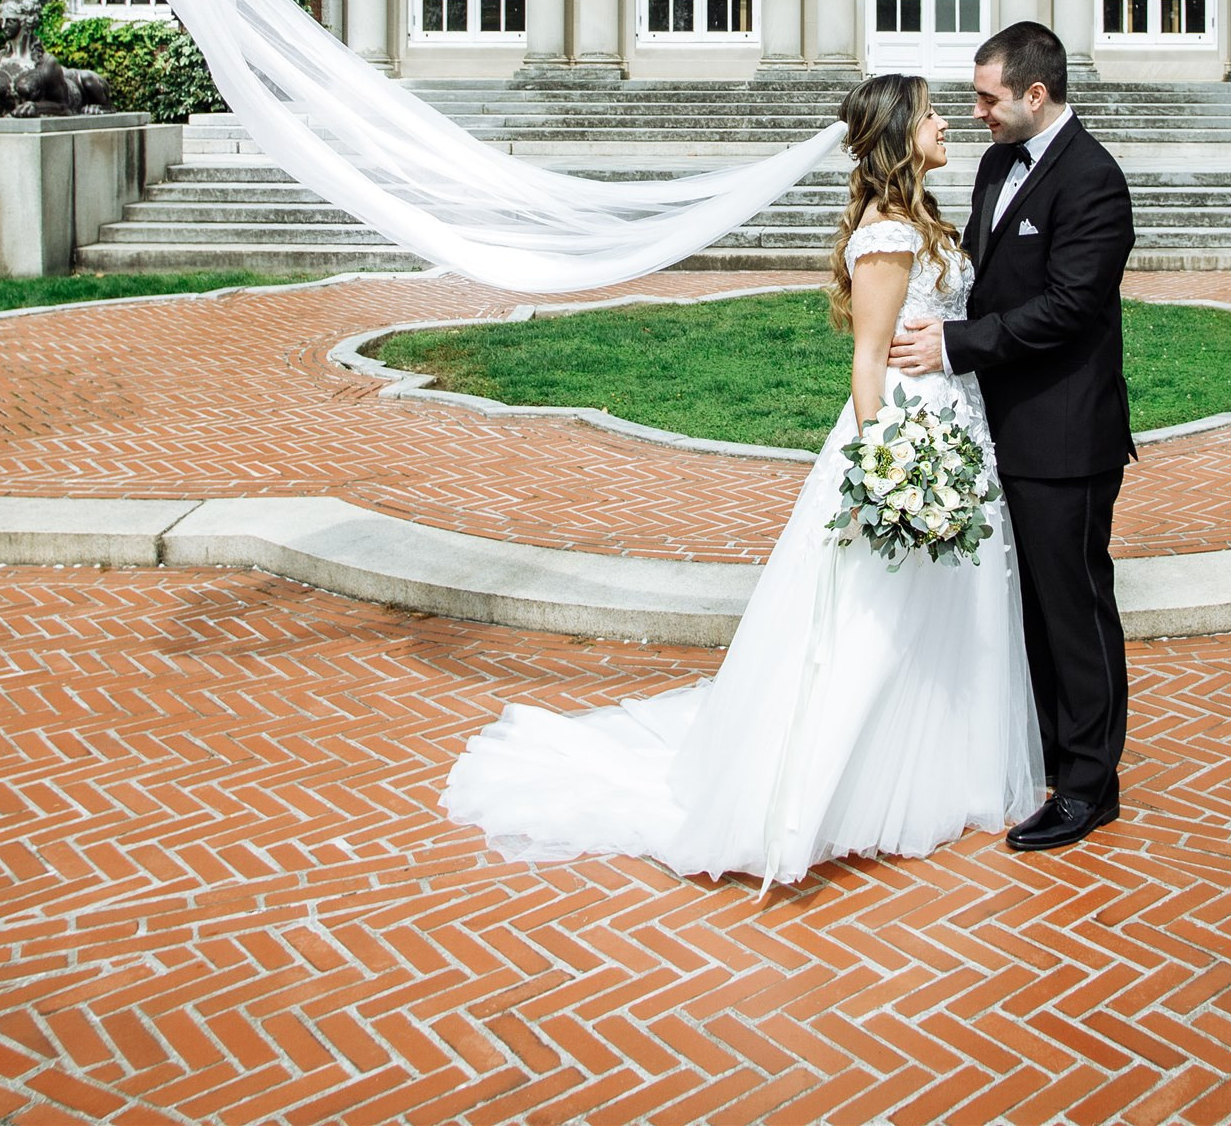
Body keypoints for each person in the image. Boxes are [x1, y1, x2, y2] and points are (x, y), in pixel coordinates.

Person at [441, 73, 1042, 887]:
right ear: (903, 134)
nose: (947, 124)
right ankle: (846, 784)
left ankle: (941, 764)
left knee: (938, 610)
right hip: (908, 431)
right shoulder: (891, 234)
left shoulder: (918, 218)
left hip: (952, 420)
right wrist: (888, 472)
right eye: (934, 113)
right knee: (881, 619)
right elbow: (867, 363)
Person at [890, 22, 1136, 852]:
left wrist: (954, 346)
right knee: (1030, 604)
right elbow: (986, 276)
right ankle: (1054, 754)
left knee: (1074, 607)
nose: (977, 113)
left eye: (988, 98)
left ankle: (1088, 786)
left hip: (1068, 433)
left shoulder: (1095, 180)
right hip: (1001, 426)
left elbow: (1070, 307)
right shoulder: (997, 164)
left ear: (1036, 94)